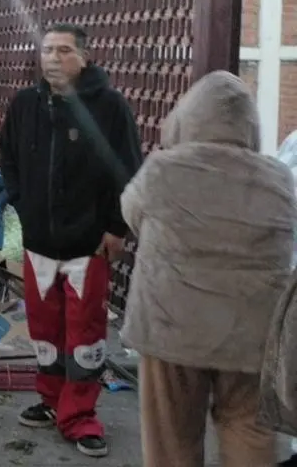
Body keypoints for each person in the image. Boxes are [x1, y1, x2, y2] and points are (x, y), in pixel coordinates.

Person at [121, 71, 295, 467]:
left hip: (171, 329)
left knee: (172, 439)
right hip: (254, 336)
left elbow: (131, 214)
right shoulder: (279, 178)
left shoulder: (163, 169)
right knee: (251, 434)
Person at [0, 23, 142, 458]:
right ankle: (50, 398)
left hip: (88, 246)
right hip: (39, 242)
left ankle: (80, 417)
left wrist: (118, 228)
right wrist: (22, 205)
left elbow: (130, 170)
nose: (53, 59)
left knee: (85, 335)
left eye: (63, 51)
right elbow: (8, 157)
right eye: (47, 51)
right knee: (43, 330)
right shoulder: (25, 105)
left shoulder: (111, 108)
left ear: (84, 58)